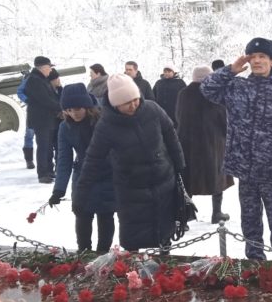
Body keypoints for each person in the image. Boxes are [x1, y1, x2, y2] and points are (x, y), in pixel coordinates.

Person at [201, 38, 272, 260]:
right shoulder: (238, 86)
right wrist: (230, 70)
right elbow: (206, 88)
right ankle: (255, 263)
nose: (257, 61)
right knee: (250, 220)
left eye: (262, 57)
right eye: (253, 57)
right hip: (245, 169)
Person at [73, 73, 185, 251]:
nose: (133, 105)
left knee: (164, 231)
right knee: (133, 237)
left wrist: (181, 168)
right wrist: (81, 195)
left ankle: (165, 264)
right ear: (115, 104)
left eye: (135, 99)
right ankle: (132, 272)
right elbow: (93, 160)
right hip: (131, 189)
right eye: (126, 102)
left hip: (163, 181)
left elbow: (171, 136)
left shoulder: (152, 109)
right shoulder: (106, 125)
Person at [48, 84, 115, 253]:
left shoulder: (103, 120)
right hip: (83, 177)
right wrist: (59, 189)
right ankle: (83, 253)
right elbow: (64, 159)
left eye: (77, 108)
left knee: (105, 216)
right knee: (82, 215)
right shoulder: (65, 127)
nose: (73, 113)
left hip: (107, 174)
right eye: (69, 110)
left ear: (86, 105)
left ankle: (103, 254)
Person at [176, 66, 232, 224]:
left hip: (188, 142)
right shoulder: (214, 93)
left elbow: (178, 116)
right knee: (217, 177)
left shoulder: (184, 93)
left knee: (189, 178)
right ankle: (216, 213)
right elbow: (224, 118)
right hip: (212, 141)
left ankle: (186, 213)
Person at [24, 56, 61, 184]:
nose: (50, 70)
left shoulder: (41, 79)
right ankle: (43, 173)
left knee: (48, 146)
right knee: (43, 146)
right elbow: (45, 100)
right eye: (49, 67)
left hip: (47, 118)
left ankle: (49, 170)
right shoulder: (34, 80)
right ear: (43, 67)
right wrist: (61, 107)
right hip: (41, 119)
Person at [15, 69, 35, 169]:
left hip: (47, 111)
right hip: (33, 111)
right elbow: (20, 91)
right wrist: (27, 100)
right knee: (29, 134)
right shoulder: (30, 78)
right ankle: (29, 160)